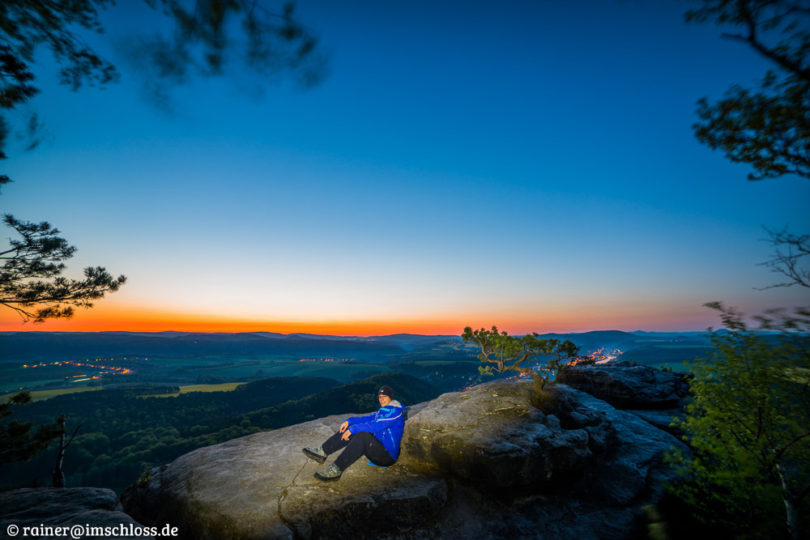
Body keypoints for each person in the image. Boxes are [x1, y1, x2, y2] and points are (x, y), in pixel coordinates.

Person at [303, 385, 405, 481]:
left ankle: (337, 469)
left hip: (386, 456)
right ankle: (322, 452)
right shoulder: (384, 411)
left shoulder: (395, 412)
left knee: (362, 435)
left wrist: (352, 429)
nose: (381, 399)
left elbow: (376, 427)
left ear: (390, 397)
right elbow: (368, 418)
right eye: (380, 397)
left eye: (384, 396)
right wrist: (350, 421)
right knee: (354, 428)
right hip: (377, 447)